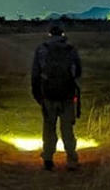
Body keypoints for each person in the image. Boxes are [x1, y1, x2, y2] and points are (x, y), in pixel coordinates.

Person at [31, 24, 82, 171]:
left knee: (49, 128)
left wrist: (37, 94)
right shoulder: (71, 50)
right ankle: (71, 159)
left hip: (49, 95)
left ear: (49, 35)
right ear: (63, 34)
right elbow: (78, 71)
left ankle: (48, 159)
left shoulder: (42, 49)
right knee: (67, 129)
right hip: (67, 95)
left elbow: (35, 74)